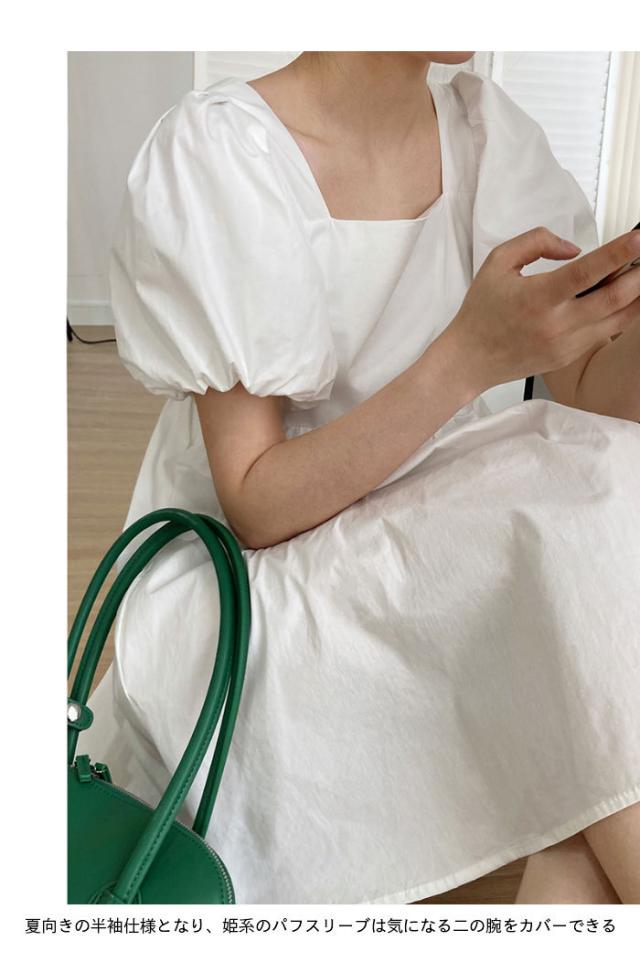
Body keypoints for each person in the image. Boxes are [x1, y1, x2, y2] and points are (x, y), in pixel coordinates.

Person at [79, 51, 640, 904]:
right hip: (254, 587)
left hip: (435, 543)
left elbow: (594, 387)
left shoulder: (485, 133)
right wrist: (467, 359)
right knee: (574, 519)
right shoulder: (221, 152)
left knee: (596, 760)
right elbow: (257, 502)